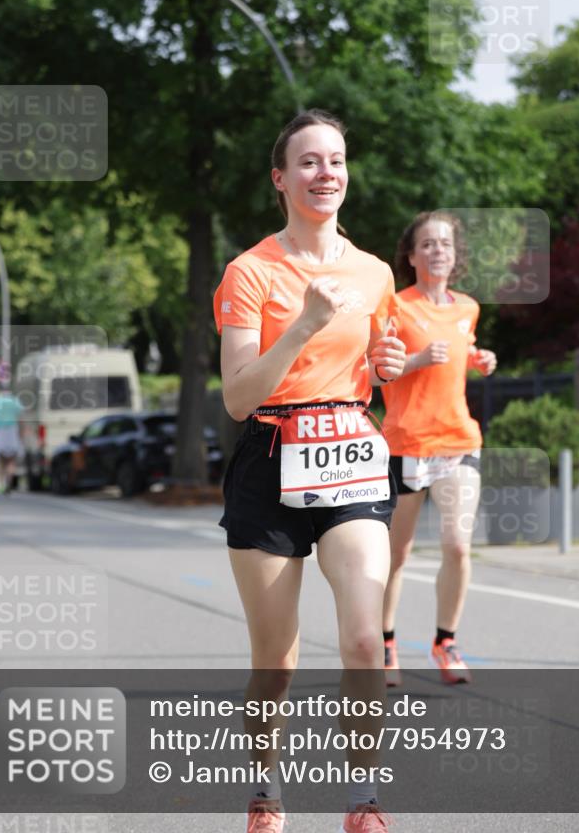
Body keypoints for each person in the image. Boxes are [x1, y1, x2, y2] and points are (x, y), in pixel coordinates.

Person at [213, 109, 406, 833]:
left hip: (350, 454)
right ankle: (265, 790)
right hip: (269, 456)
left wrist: (387, 369)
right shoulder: (250, 272)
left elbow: (375, 362)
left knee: (362, 637)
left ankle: (363, 802)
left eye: (336, 160)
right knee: (277, 656)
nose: (326, 173)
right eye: (308, 162)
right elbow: (237, 396)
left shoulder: (375, 271)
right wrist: (302, 324)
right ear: (280, 178)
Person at [380, 212, 497, 687]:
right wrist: (417, 360)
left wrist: (479, 360)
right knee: (396, 554)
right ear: (411, 256)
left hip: (457, 441)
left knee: (457, 545)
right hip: (406, 442)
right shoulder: (395, 307)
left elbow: (461, 351)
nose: (436, 252)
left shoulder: (467, 307)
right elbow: (379, 370)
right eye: (426, 244)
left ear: (455, 255)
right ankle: (385, 642)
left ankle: (445, 641)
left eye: (444, 244)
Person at [0, 388, 24, 494]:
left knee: (0, 461)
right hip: (12, 431)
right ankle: (9, 481)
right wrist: (21, 434)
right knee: (11, 460)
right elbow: (20, 419)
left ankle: (0, 485)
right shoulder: (15, 401)